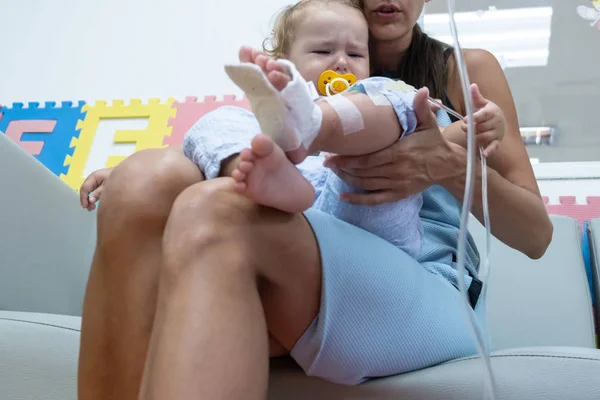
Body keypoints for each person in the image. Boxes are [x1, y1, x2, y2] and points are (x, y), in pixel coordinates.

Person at [77, 1, 553, 399]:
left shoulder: (458, 70)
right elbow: (239, 139)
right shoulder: (301, 64)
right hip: (311, 232)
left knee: (218, 209)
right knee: (142, 180)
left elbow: (536, 235)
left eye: (351, 52)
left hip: (425, 285)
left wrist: (449, 166)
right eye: (325, 50)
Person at [182, 0, 505, 258]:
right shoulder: (265, 117)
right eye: (323, 52)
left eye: (355, 54)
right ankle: (265, 176)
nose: (341, 63)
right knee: (217, 119)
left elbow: (448, 137)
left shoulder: (381, 93)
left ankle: (310, 127)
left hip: (366, 221)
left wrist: (483, 126)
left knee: (392, 96)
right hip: (297, 213)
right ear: (284, 63)